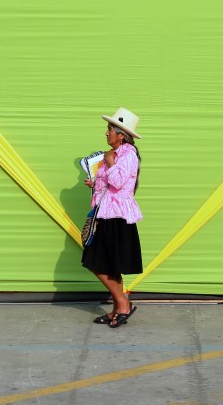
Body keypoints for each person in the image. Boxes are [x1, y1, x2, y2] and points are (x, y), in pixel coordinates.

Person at [81, 107, 143, 328]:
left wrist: (109, 161)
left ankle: (123, 304)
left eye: (109, 130)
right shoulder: (118, 154)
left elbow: (117, 182)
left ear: (121, 134)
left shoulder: (127, 155)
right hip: (107, 213)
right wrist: (95, 182)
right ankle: (118, 308)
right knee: (109, 264)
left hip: (116, 216)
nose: (106, 134)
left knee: (97, 262)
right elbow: (108, 184)